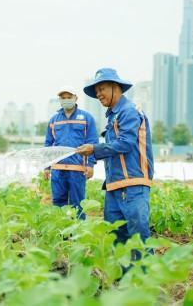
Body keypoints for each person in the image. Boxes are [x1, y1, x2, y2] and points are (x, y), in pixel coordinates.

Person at [76, 68, 154, 255]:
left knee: (138, 237)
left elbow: (126, 144)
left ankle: (146, 280)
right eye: (96, 92)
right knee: (116, 237)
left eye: (102, 89)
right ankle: (123, 279)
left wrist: (94, 149)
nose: (99, 95)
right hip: (114, 186)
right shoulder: (113, 117)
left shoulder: (129, 111)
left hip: (133, 184)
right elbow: (112, 148)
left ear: (116, 87)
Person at [44, 86, 99, 219]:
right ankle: (61, 234)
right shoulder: (54, 120)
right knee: (58, 203)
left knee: (78, 203)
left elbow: (92, 142)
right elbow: (48, 144)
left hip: (77, 169)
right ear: (60, 100)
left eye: (69, 97)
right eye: (63, 98)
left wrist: (90, 165)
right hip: (58, 169)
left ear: (75, 98)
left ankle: (77, 235)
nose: (66, 100)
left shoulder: (86, 118)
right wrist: (46, 166)